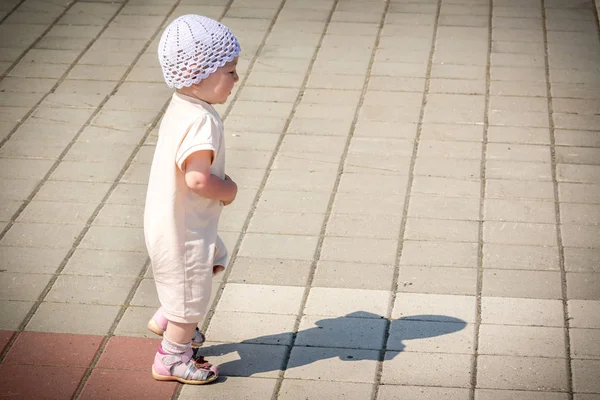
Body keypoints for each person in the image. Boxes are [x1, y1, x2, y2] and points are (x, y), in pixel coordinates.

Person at [143, 14, 240, 385]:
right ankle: (171, 357)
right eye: (230, 71)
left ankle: (167, 318)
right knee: (191, 300)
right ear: (200, 72)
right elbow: (198, 179)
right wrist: (228, 190)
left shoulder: (182, 105)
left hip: (169, 220)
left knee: (212, 257)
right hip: (182, 230)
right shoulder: (203, 121)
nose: (236, 78)